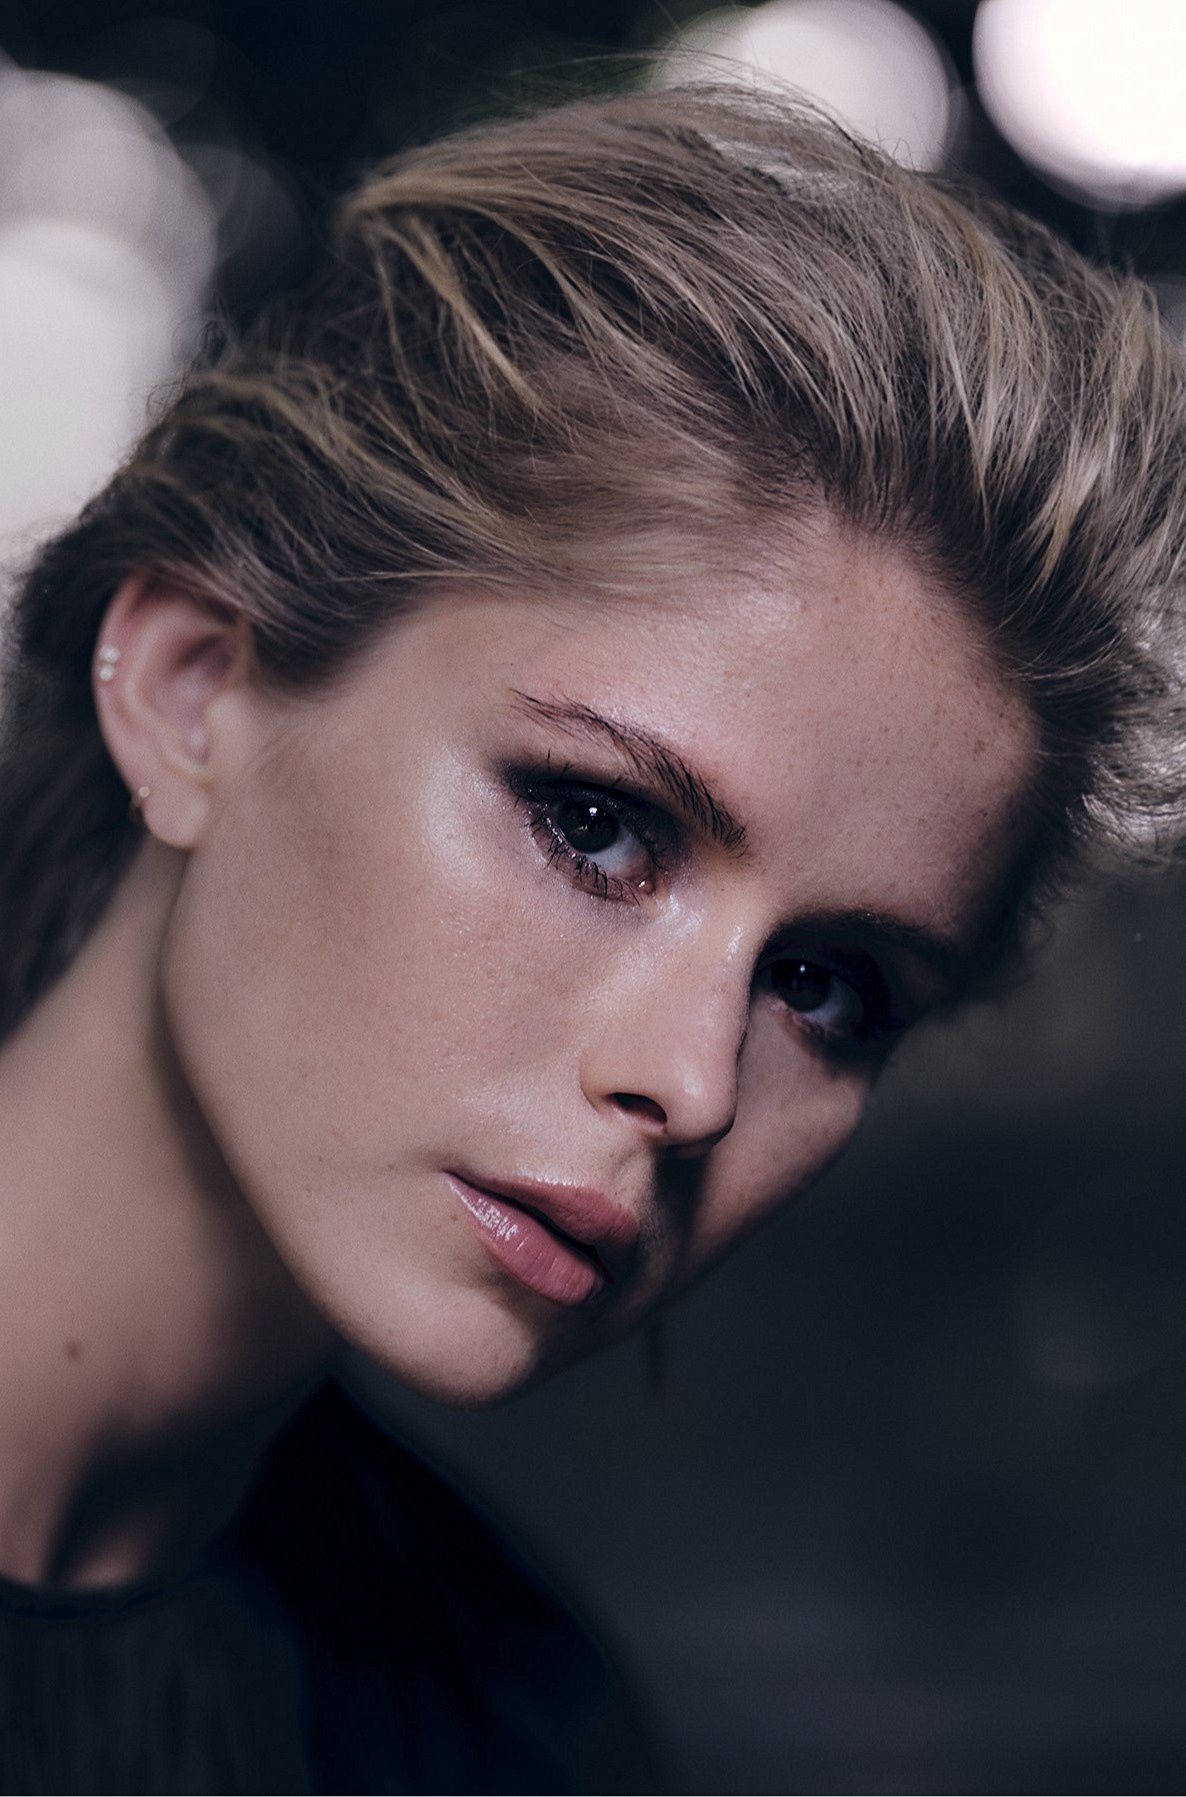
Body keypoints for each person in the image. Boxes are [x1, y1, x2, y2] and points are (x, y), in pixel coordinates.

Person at [0, 81, 1183, 1795]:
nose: (694, 1084)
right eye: (598, 824)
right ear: (193, 690)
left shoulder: (523, 1735)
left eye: (825, 986)